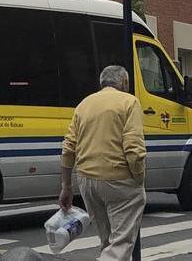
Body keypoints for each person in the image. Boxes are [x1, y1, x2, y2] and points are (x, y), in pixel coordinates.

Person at [59, 65, 146, 261]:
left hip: (87, 181)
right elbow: (134, 148)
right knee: (120, 246)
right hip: (119, 180)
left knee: (107, 242)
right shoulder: (129, 102)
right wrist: (138, 178)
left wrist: (66, 186)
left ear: (102, 83)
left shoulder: (84, 104)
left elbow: (68, 148)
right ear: (124, 83)